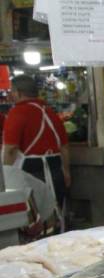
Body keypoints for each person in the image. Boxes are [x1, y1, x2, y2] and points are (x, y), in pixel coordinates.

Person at [2, 75, 70, 226]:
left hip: (31, 173)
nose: (10, 95)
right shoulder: (50, 112)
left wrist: (5, 177)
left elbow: (11, 149)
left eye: (12, 91)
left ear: (18, 93)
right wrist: (66, 171)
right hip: (55, 170)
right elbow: (64, 147)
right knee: (55, 214)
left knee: (34, 221)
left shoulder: (17, 112)